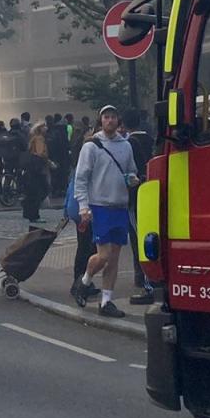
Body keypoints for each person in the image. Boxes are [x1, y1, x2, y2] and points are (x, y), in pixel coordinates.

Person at [72, 106, 139, 317]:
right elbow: (81, 178)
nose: (109, 120)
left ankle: (106, 301)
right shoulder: (91, 146)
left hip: (120, 205)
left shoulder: (126, 145)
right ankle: (84, 281)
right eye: (106, 117)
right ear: (101, 121)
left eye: (113, 117)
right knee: (104, 255)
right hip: (99, 206)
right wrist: (83, 206)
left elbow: (130, 171)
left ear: (118, 120)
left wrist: (132, 179)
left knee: (115, 258)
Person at [122, 106, 156, 304]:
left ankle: (143, 277)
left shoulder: (129, 144)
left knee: (137, 237)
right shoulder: (151, 139)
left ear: (124, 124)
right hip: (152, 191)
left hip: (135, 196)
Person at [19, 134, 50, 224]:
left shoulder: (32, 154)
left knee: (35, 195)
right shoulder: (35, 156)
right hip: (34, 177)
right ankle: (33, 215)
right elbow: (36, 167)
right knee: (36, 195)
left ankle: (30, 213)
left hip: (33, 177)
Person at [46, 113, 70, 201]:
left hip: (55, 156)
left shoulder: (51, 132)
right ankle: (60, 190)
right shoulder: (61, 130)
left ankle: (56, 190)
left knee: (55, 174)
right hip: (61, 156)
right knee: (61, 174)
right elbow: (65, 144)